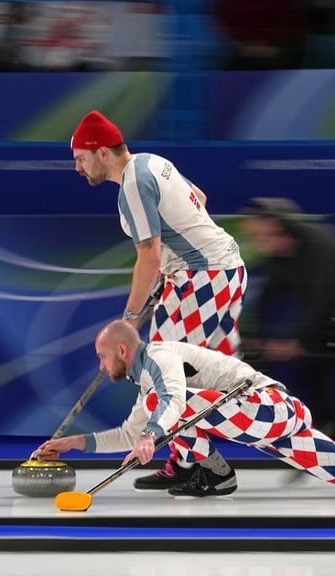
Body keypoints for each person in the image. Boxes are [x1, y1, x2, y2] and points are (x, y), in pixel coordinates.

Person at [37, 320, 335, 499]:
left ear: (122, 350)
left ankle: (213, 472)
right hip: (276, 431)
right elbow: (129, 433)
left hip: (265, 405)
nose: (101, 367)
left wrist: (153, 437)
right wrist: (74, 443)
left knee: (170, 413)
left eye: (102, 358)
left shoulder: (161, 357)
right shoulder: (147, 385)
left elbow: (172, 403)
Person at [69, 110, 247, 490]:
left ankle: (213, 471)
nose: (78, 169)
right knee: (181, 375)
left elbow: (148, 255)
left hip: (204, 280)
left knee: (161, 374)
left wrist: (129, 320)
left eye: (80, 159)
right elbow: (198, 197)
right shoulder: (153, 162)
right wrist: (178, 261)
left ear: (102, 153)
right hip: (217, 272)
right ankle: (185, 461)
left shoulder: (132, 184)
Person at [239, 197, 335, 449]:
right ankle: (304, 434)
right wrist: (249, 336)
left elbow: (323, 298)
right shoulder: (280, 254)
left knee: (316, 373)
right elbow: (265, 299)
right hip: (326, 310)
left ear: (276, 226)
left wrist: (300, 341)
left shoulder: (317, 247)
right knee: (291, 370)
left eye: (261, 235)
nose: (258, 242)